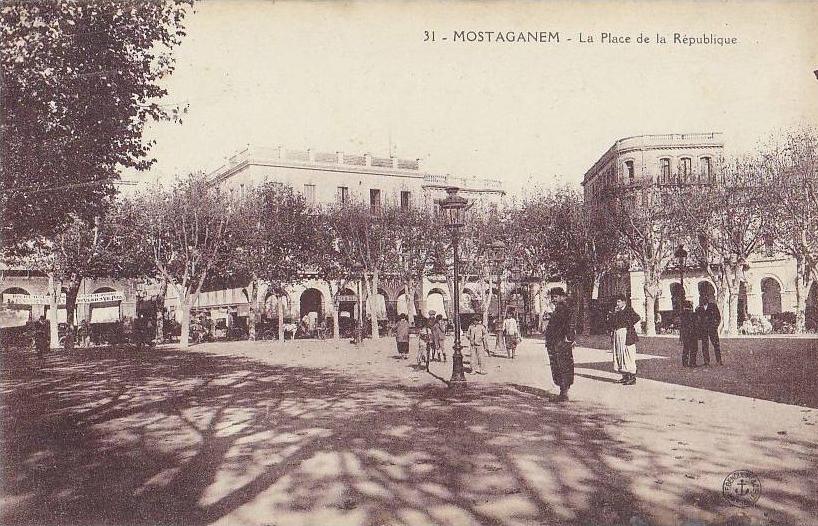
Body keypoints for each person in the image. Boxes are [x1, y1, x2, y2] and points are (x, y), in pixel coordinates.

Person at [544, 287, 576, 401]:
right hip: (556, 341)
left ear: (562, 296)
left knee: (562, 366)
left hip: (560, 342)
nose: (553, 299)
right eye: (552, 297)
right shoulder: (560, 308)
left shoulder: (564, 308)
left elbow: (569, 324)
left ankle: (564, 394)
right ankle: (563, 392)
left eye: (556, 297)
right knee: (561, 366)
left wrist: (569, 338)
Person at [608, 294, 641, 385]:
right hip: (618, 334)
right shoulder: (616, 311)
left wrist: (627, 325)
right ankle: (624, 376)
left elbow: (637, 317)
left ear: (624, 302)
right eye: (616, 301)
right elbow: (612, 323)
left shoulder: (628, 310)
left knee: (628, 354)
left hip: (626, 335)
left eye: (619, 301)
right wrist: (614, 314)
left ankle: (632, 377)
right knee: (620, 354)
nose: (617, 303)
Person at [696, 295, 722, 365]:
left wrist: (716, 326)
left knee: (716, 344)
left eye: (705, 298)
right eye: (702, 299)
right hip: (704, 330)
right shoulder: (699, 308)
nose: (703, 300)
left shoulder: (713, 306)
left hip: (712, 328)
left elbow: (718, 317)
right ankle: (706, 361)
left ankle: (719, 360)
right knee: (704, 346)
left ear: (707, 299)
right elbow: (697, 320)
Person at [679, 300, 699, 367]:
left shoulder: (682, 315)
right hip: (693, 334)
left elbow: (681, 327)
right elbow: (696, 324)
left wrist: (681, 337)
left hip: (686, 334)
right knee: (694, 349)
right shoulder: (693, 314)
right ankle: (692, 363)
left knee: (686, 348)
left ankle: (685, 363)